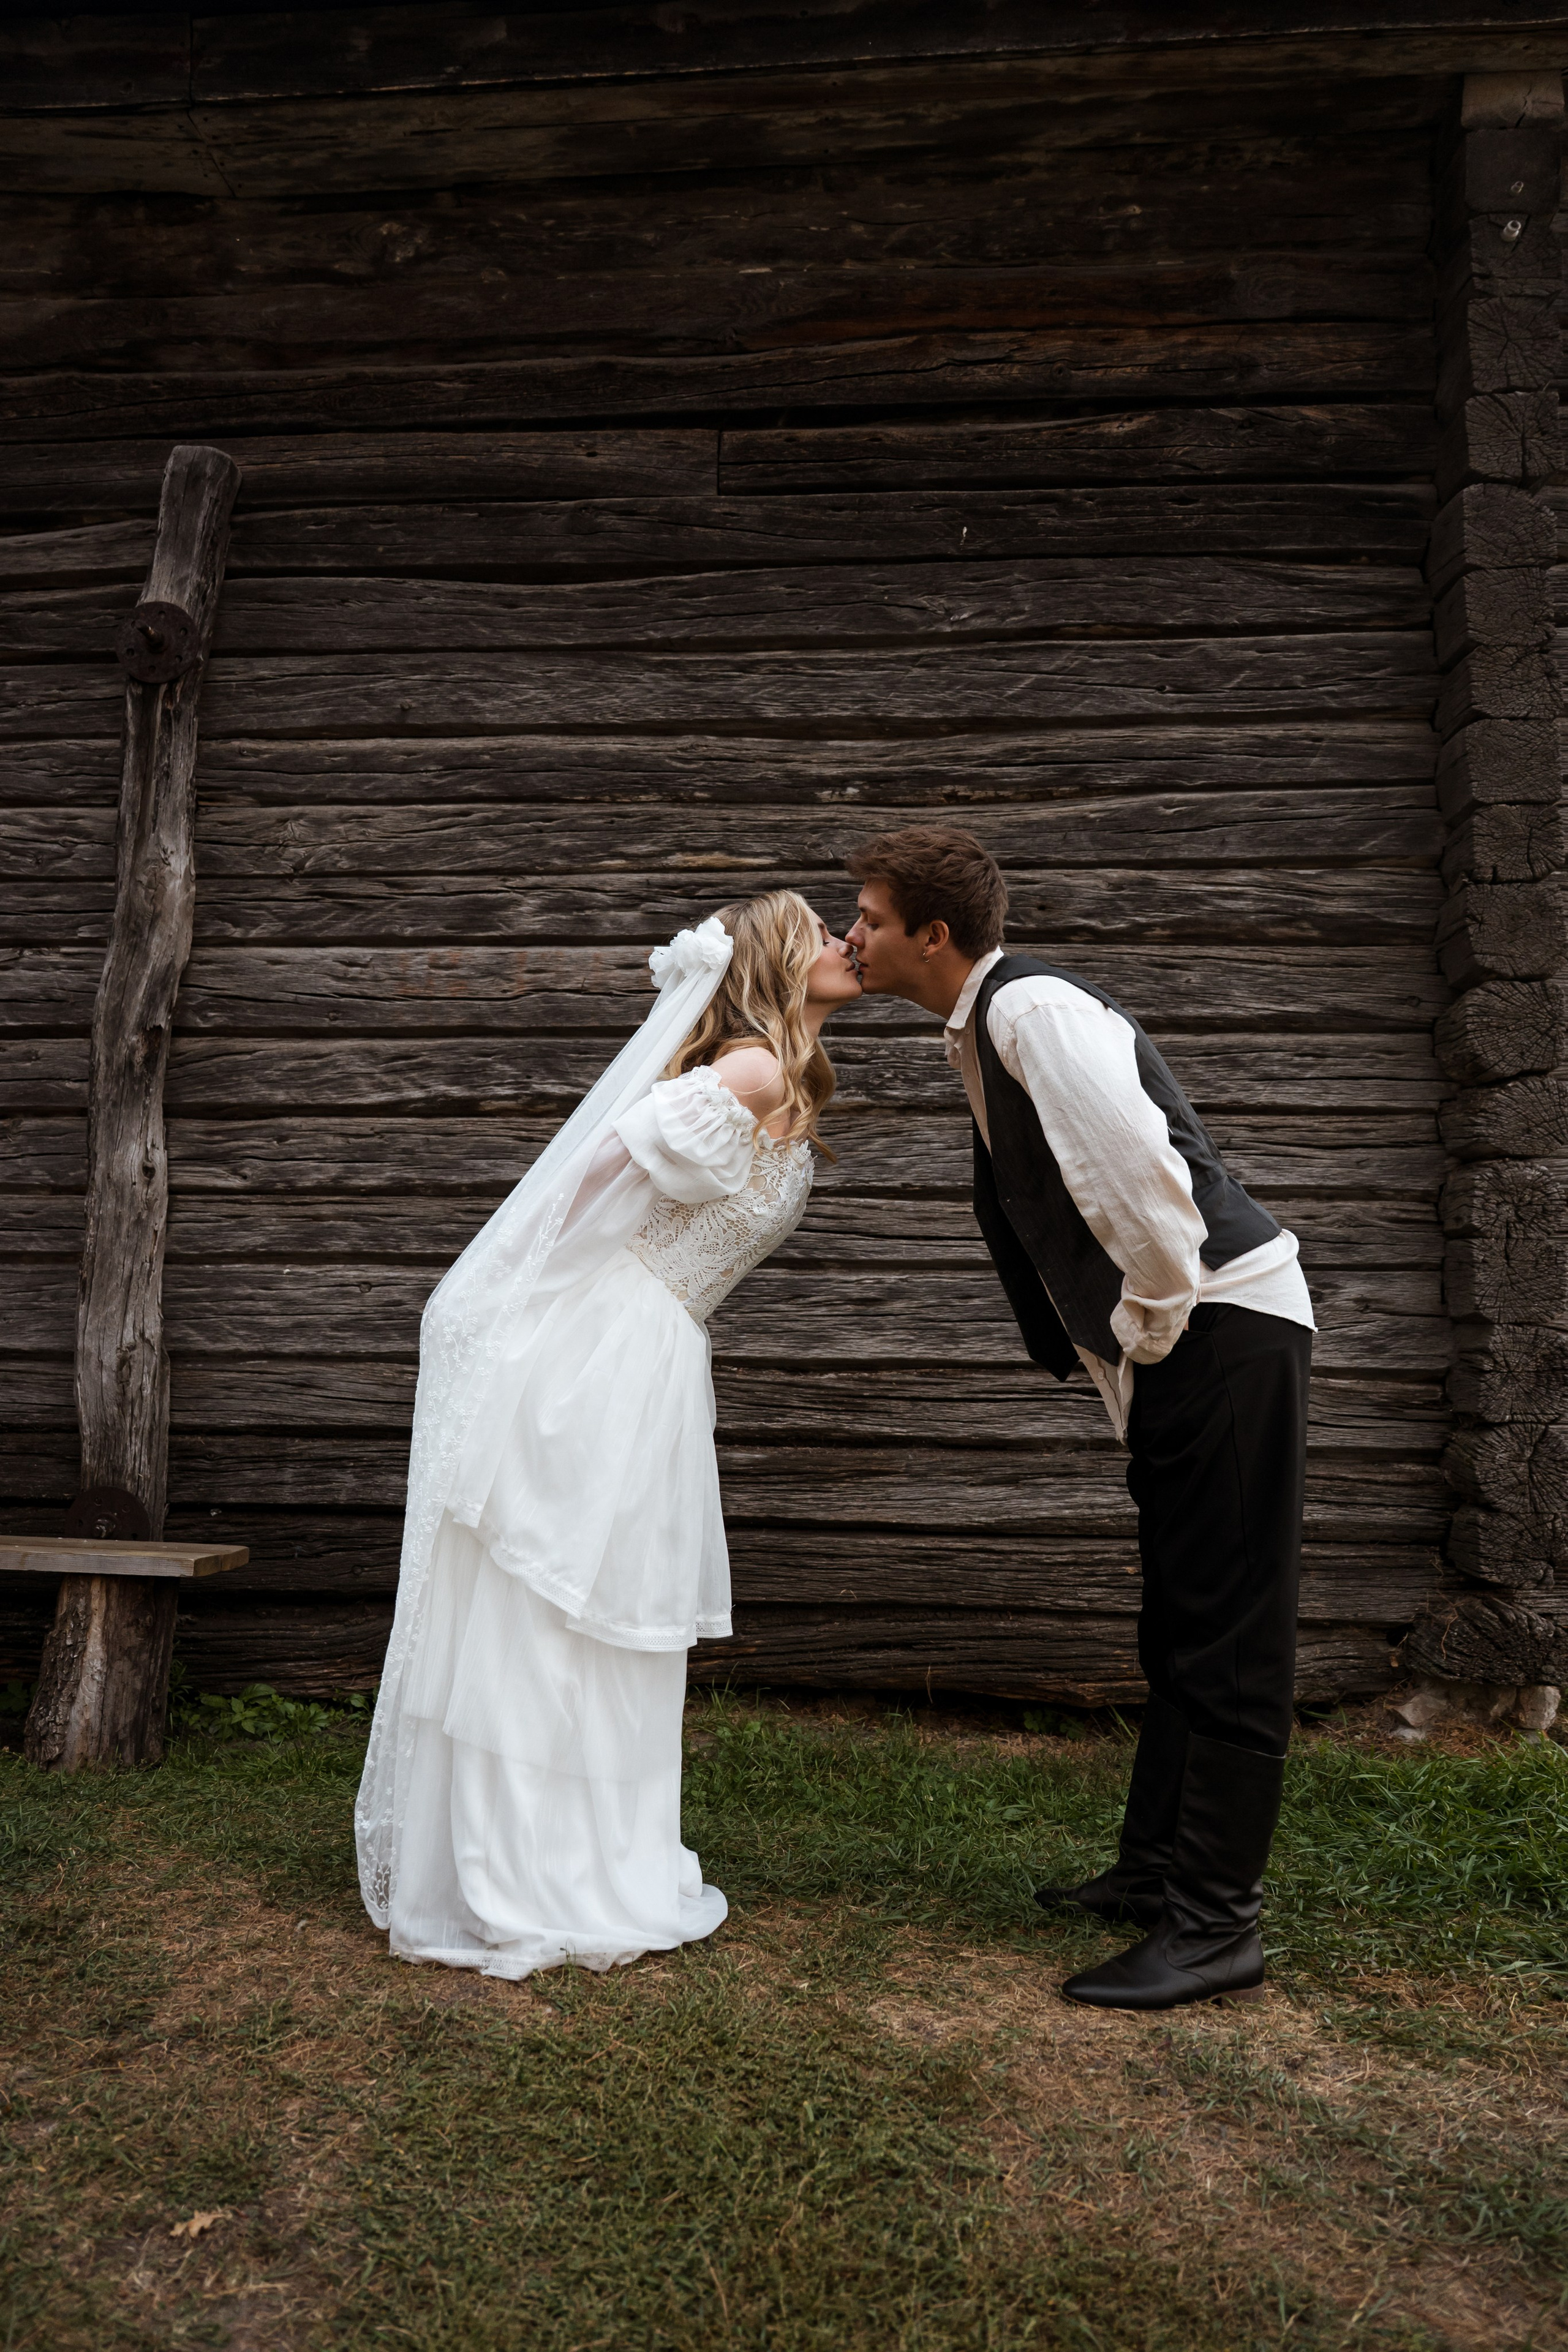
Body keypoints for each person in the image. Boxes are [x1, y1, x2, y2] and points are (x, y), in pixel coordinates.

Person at [845, 826, 1314, 2012]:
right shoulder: (987, 1023)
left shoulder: (1030, 1013)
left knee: (1227, 1631)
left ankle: (1216, 1930)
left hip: (1215, 1326)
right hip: (1187, 1344)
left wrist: (1150, 1334)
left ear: (931, 936)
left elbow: (1144, 1190)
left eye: (866, 918)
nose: (849, 937)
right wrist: (1135, 1364)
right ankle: (1157, 1873)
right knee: (1180, 1619)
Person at [355, 891, 861, 1978]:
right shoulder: (750, 1073)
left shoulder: (787, 1079)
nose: (842, 944)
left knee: (603, 1616)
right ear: (776, 958)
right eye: (822, 931)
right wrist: (511, 1316)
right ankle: (520, 1872)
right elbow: (581, 1188)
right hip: (605, 1353)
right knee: (557, 1615)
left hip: (657, 1355)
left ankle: (584, 1858)